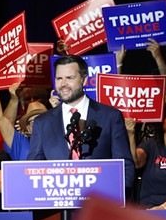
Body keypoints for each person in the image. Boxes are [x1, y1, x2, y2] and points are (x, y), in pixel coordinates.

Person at [27, 53, 135, 191]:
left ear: (84, 80)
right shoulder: (42, 123)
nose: (63, 84)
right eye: (59, 78)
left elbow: (125, 166)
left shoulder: (110, 117)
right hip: (58, 207)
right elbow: (33, 169)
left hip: (101, 203)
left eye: (70, 78)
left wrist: (115, 197)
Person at [0, 58, 50, 160]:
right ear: (27, 128)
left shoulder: (59, 139)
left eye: (41, 119)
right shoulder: (20, 143)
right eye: (32, 121)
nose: (37, 124)